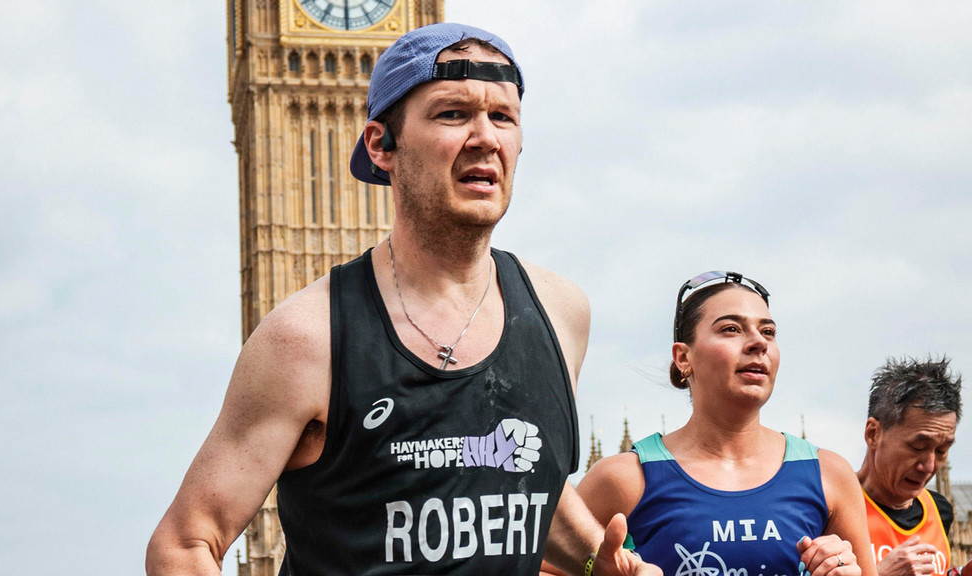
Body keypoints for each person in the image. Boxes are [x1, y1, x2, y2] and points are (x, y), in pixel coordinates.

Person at [146, 22, 656, 576]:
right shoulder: (308, 338)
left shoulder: (561, 313)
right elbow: (185, 543)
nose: (485, 136)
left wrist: (599, 562)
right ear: (380, 145)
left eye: (502, 116)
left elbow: (521, 481)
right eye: (452, 114)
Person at [545, 271, 877, 576]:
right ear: (683, 357)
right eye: (731, 329)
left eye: (768, 332)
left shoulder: (828, 474)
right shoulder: (625, 478)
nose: (758, 342)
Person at [857, 356, 964, 576]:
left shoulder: (940, 510)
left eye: (942, 450)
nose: (929, 466)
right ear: (873, 434)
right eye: (918, 446)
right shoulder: (827, 507)